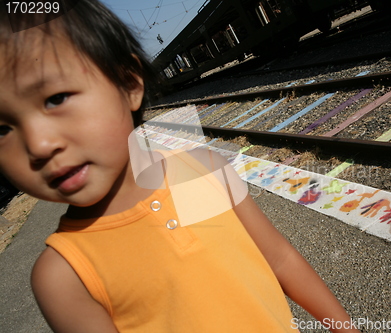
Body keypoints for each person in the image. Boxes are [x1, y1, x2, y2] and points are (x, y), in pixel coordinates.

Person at [0, 1, 360, 332]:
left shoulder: (202, 171)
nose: (39, 145)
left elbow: (279, 260)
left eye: (56, 98)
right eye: (2, 129)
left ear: (128, 84)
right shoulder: (65, 275)